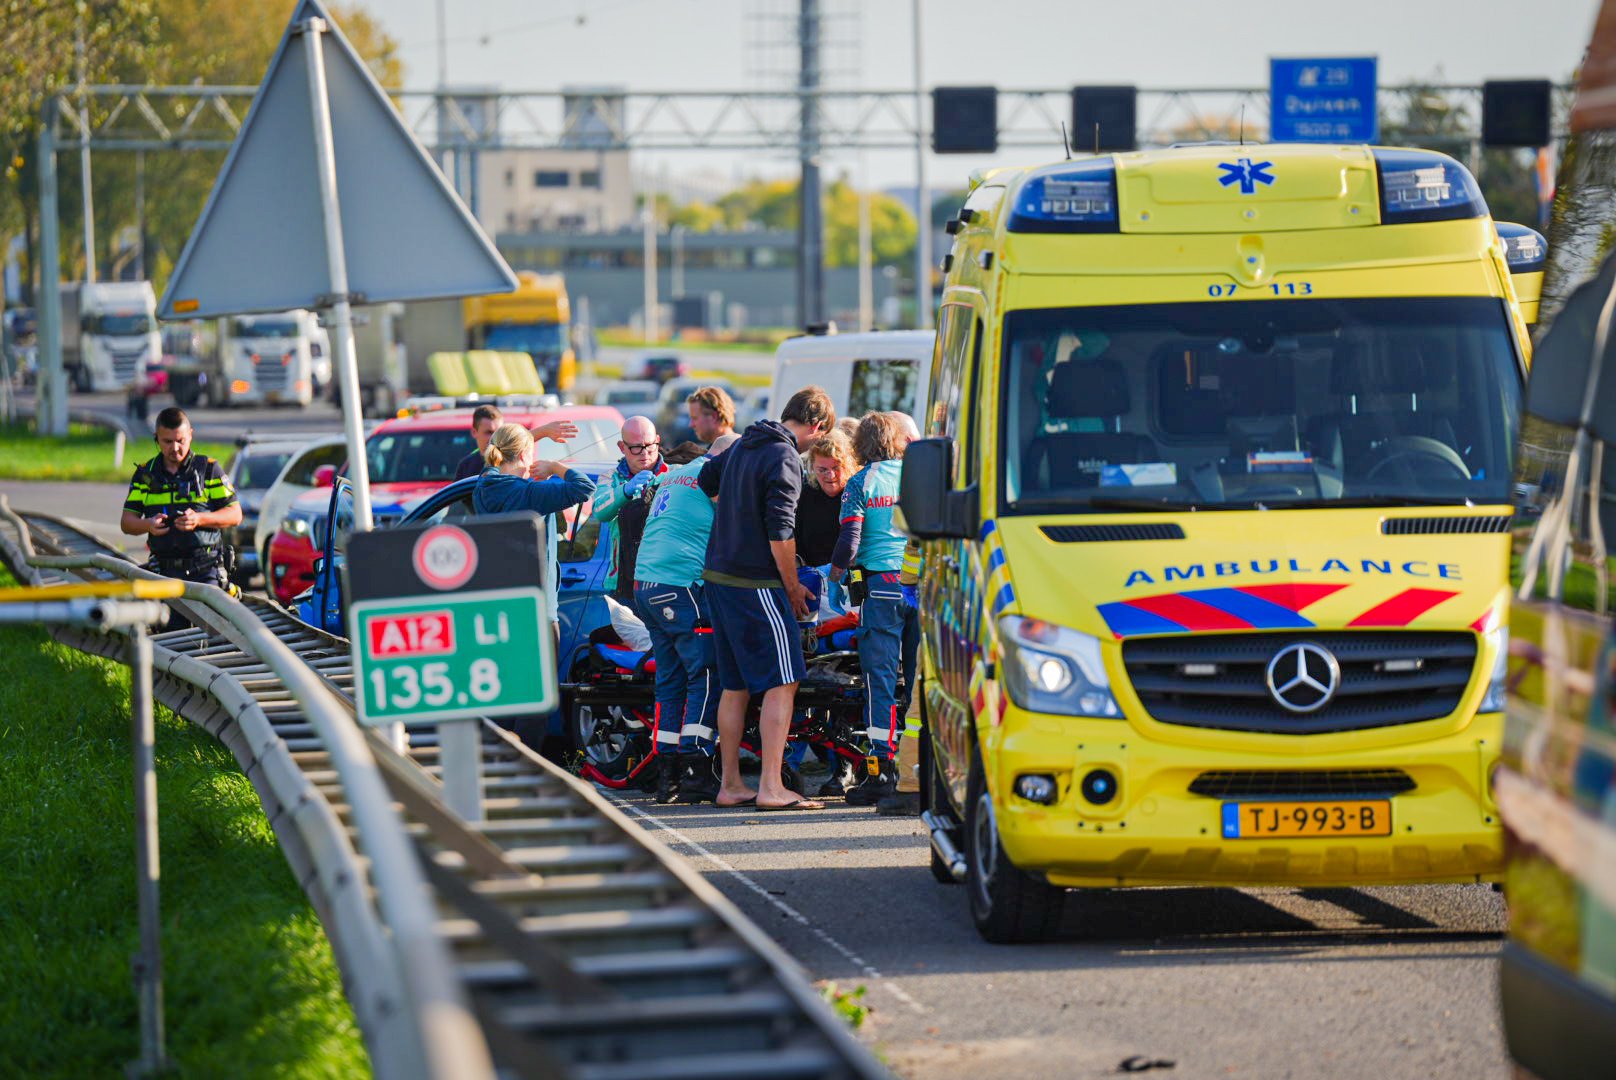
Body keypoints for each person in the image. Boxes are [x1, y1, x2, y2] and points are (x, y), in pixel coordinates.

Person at [698, 385, 835, 810]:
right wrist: (793, 587)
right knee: (784, 679)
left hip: (717, 576)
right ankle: (771, 788)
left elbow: (706, 478)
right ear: (816, 426)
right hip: (754, 582)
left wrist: (734, 513)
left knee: (735, 685)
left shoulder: (745, 443)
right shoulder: (784, 456)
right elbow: (781, 531)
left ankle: (732, 784)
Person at [633, 431, 741, 804]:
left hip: (645, 584)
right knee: (705, 674)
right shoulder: (713, 478)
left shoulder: (676, 473)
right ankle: (696, 767)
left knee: (670, 678)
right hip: (679, 586)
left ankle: (667, 774)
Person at [831, 411, 916, 807]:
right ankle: (921, 768)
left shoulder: (860, 483)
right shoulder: (916, 479)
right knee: (919, 678)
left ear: (860, 445)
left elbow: (849, 542)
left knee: (879, 679)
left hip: (880, 589)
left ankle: (882, 771)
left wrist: (833, 577)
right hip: (919, 584)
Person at [473, 423, 596, 628]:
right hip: (536, 608)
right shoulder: (530, 494)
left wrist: (538, 433)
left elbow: (499, 452)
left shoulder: (483, 485)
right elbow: (584, 487)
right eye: (530, 454)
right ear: (523, 455)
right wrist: (554, 466)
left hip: (499, 601)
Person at [120, 406, 242, 591]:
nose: (175, 448)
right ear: (157, 438)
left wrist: (199, 519)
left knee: (208, 619)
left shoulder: (209, 470)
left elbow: (235, 515)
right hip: (162, 571)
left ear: (190, 435)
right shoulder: (144, 475)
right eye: (167, 441)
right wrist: (149, 524)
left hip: (206, 571)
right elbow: (127, 522)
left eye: (180, 440)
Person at [592, 415, 667, 604]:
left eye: (649, 445)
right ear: (622, 447)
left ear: (657, 441)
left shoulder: (674, 474)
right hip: (624, 580)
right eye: (636, 448)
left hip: (665, 577)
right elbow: (600, 511)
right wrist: (624, 491)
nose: (644, 453)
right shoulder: (610, 478)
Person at [455, 405, 578, 482]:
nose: (494, 436)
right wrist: (542, 431)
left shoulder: (506, 462)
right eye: (488, 432)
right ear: (474, 432)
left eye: (499, 431)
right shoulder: (467, 466)